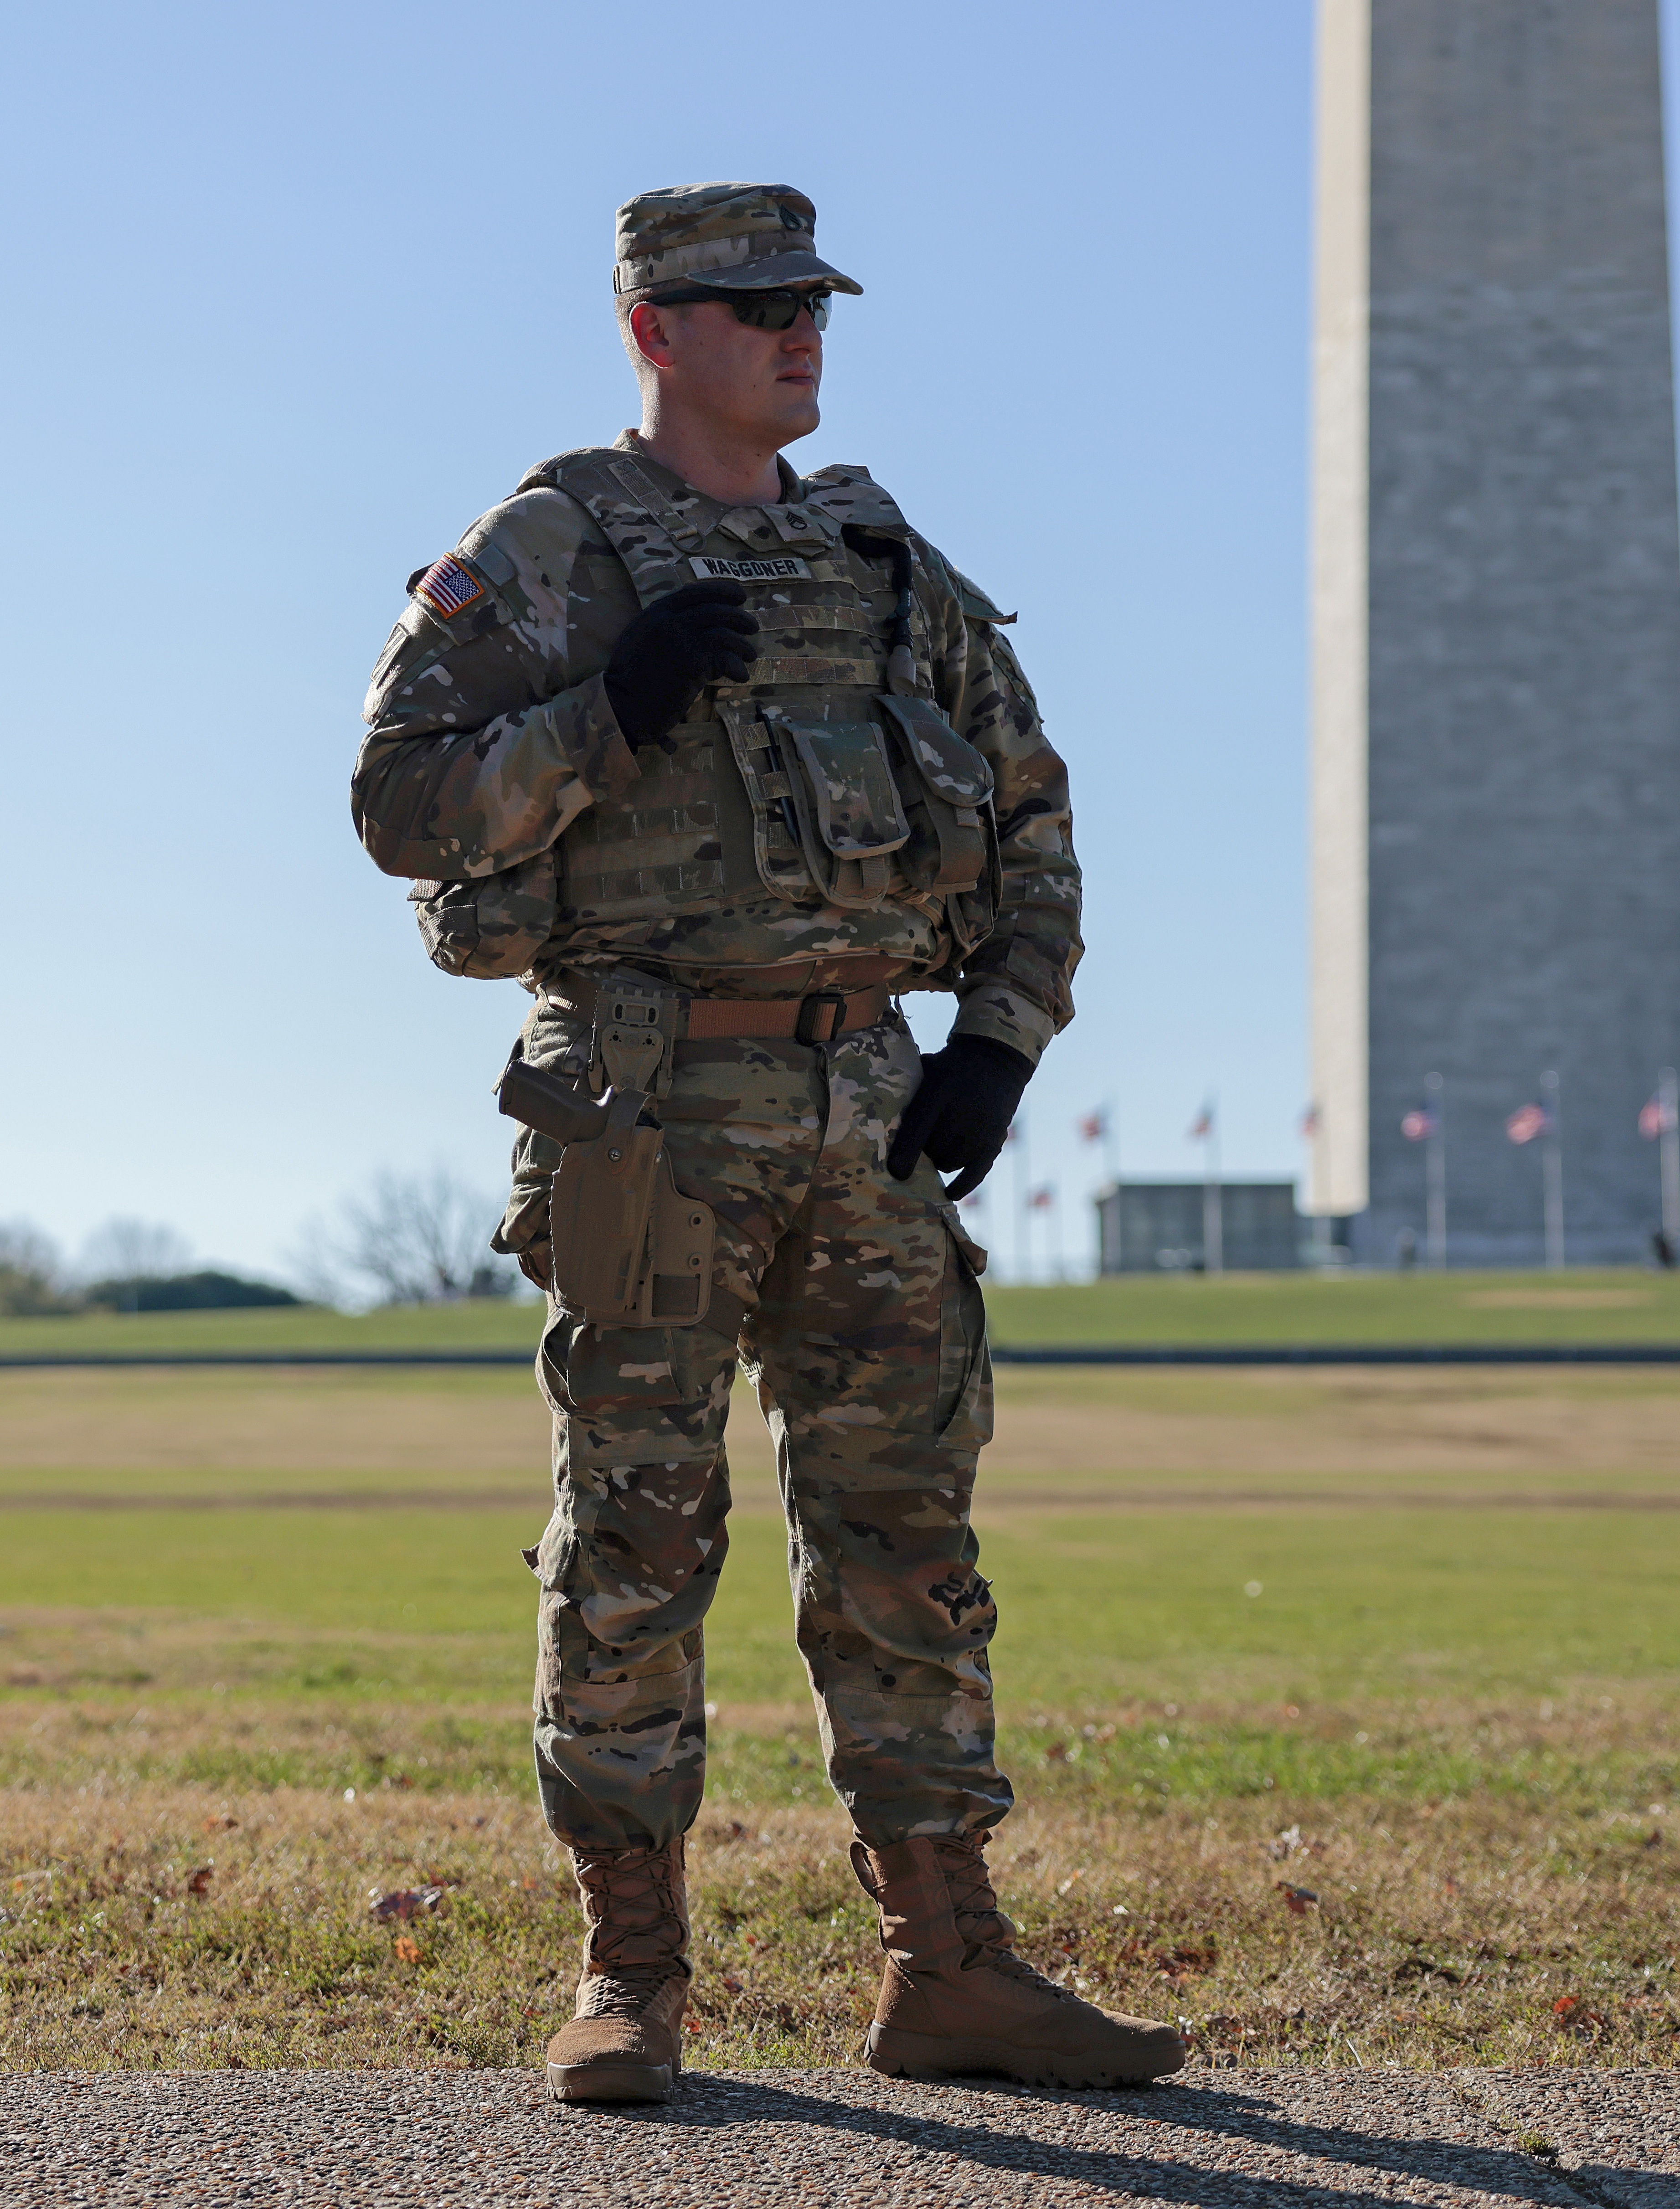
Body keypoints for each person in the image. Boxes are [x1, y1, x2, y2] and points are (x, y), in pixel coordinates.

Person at [352, 184, 1181, 2101]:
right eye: (748, 307)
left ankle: (949, 1966)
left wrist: (995, 1040)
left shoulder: (880, 554)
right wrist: (605, 709)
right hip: (647, 1109)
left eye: (809, 302)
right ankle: (627, 1978)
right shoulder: (550, 546)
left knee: (906, 1535)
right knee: (634, 1537)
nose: (794, 335)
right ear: (653, 328)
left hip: (872, 1113)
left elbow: (1032, 810)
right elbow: (398, 805)